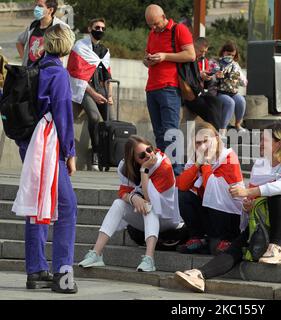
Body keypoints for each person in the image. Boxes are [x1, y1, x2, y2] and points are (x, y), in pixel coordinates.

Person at [174, 124, 281, 292]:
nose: (260, 143)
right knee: (236, 247)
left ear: (279, 143)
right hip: (263, 223)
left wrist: (249, 191)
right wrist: (249, 204)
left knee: (277, 194)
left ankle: (275, 247)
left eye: (265, 140)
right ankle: (199, 275)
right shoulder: (260, 164)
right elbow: (251, 199)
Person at [12, 24, 78, 294]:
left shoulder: (34, 68)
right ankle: (63, 274)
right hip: (48, 145)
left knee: (37, 205)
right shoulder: (58, 74)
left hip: (29, 142)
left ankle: (36, 270)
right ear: (67, 46)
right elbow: (64, 116)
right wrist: (70, 152)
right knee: (67, 206)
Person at [78, 135, 184, 272]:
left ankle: (149, 259)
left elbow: (149, 199)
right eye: (141, 155)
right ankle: (96, 253)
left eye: (149, 149)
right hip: (149, 219)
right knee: (118, 204)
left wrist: (144, 170)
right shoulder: (125, 166)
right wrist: (133, 198)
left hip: (169, 220)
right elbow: (122, 192)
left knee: (148, 207)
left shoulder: (163, 164)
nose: (148, 155)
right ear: (133, 159)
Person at [176, 122, 244, 255]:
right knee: (183, 195)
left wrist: (206, 164)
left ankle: (225, 239)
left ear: (217, 139)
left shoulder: (229, 157)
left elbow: (212, 189)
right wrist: (197, 164)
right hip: (209, 212)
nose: (202, 146)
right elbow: (182, 185)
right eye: (198, 143)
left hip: (228, 216)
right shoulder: (196, 158)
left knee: (215, 249)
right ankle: (197, 238)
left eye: (206, 141)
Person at [143, 4, 196, 176]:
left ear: (164, 17)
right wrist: (148, 60)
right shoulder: (152, 33)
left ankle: (177, 171)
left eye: (156, 23)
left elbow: (190, 54)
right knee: (159, 133)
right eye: (150, 25)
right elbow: (147, 56)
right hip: (152, 87)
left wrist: (165, 56)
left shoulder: (179, 29)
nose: (154, 27)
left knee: (170, 131)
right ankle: (163, 170)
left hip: (170, 87)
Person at [67, 17, 113, 171]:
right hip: (85, 89)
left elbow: (108, 77)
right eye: (97, 27)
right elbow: (77, 75)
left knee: (109, 120)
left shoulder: (105, 51)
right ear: (89, 29)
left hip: (101, 89)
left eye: (102, 28)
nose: (99, 30)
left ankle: (107, 155)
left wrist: (110, 96)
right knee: (94, 116)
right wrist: (94, 95)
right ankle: (95, 152)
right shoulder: (80, 47)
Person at [183, 37, 224, 131]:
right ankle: (217, 133)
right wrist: (200, 75)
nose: (203, 54)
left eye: (205, 52)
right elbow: (187, 78)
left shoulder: (203, 60)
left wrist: (210, 78)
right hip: (190, 93)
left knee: (217, 102)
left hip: (201, 91)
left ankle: (219, 131)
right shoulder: (188, 58)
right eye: (201, 51)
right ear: (193, 47)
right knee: (209, 109)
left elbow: (206, 84)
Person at [16, 0, 67, 66]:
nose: (36, 8)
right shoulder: (33, 25)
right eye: (36, 5)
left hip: (48, 72)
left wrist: (44, 46)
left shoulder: (60, 26)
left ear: (50, 10)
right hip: (29, 72)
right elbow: (19, 42)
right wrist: (24, 59)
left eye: (40, 6)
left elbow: (65, 46)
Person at [215, 41, 248, 134]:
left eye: (232, 55)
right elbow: (212, 75)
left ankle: (237, 124)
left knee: (241, 100)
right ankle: (223, 129)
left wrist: (241, 80)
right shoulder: (217, 62)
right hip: (220, 92)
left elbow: (243, 81)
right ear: (223, 52)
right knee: (230, 103)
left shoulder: (236, 65)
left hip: (233, 92)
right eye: (228, 54)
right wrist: (217, 75)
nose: (230, 57)